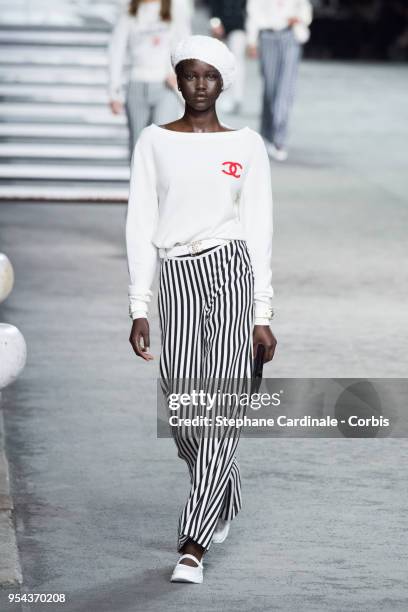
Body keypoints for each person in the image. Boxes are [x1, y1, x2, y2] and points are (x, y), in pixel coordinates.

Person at [125, 34, 277, 583]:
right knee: (184, 410)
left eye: (209, 76)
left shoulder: (247, 145)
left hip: (232, 271)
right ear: (177, 78)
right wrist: (138, 305)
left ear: (223, 82)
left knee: (220, 408)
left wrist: (263, 315)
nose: (199, 86)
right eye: (189, 75)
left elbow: (259, 229)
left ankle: (193, 542)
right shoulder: (153, 142)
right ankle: (224, 488)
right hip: (177, 274)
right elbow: (140, 223)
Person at [108, 0, 192, 160]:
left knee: (164, 144)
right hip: (136, 85)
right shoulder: (129, 11)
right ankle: (140, 185)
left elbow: (185, 43)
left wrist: (179, 72)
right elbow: (116, 50)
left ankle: (162, 185)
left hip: (165, 87)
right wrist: (114, 91)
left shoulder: (175, 7)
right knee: (138, 149)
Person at [246, 0, 313, 161]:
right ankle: (266, 133)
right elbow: (253, 11)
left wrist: (300, 18)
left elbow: (305, 7)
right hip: (267, 36)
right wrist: (252, 41)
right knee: (270, 90)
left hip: (290, 36)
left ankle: (279, 139)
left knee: (285, 90)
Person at [208, 0, 247, 113]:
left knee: (237, 61)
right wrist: (215, 24)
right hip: (221, 26)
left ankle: (237, 98)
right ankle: (221, 95)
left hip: (239, 26)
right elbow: (214, 6)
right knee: (220, 62)